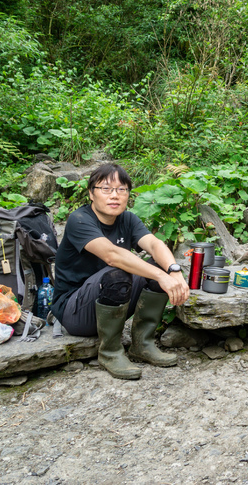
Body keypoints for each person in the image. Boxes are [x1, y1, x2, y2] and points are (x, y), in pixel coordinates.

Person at [49, 163, 190, 380]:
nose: (114, 195)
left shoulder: (128, 219)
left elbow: (154, 244)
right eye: (106, 189)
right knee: (119, 272)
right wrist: (162, 276)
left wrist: (173, 271)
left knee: (157, 265)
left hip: (110, 300)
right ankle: (110, 353)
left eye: (121, 189)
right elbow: (111, 256)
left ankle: (142, 345)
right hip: (75, 311)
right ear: (91, 194)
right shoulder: (79, 220)